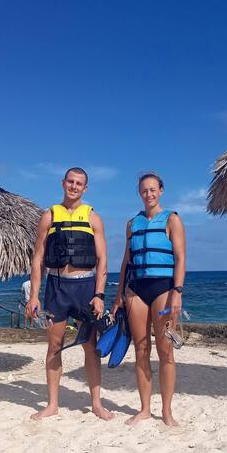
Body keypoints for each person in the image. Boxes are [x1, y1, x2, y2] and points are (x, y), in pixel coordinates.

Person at [25, 167, 113, 421]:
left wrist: (99, 295)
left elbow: (102, 259)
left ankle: (96, 403)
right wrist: (34, 296)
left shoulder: (94, 218)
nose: (74, 186)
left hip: (85, 287)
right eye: (71, 182)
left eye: (79, 183)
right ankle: (52, 404)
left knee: (90, 346)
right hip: (57, 287)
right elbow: (38, 258)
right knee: (54, 345)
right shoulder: (49, 216)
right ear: (63, 183)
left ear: (85, 188)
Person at [113, 172, 186, 427]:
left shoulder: (172, 219)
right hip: (136, 289)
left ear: (161, 190)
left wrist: (177, 291)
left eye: (153, 189)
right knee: (141, 349)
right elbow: (126, 261)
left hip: (163, 288)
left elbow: (180, 257)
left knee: (166, 351)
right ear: (139, 193)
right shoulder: (132, 223)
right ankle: (145, 409)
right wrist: (118, 295)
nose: (149, 194)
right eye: (144, 190)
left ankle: (166, 411)